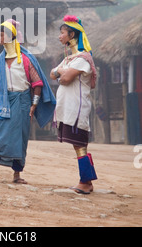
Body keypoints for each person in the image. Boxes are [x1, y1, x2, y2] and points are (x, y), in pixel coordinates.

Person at [0, 19, 56, 183]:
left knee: (20, 137)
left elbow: (37, 83)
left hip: (22, 101)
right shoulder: (0, 60)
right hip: (2, 102)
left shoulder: (25, 58)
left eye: (1, 34)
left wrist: (34, 104)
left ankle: (16, 174)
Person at [50, 15, 98, 194]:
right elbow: (53, 74)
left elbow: (65, 78)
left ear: (72, 35)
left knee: (80, 145)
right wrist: (60, 71)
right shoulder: (69, 59)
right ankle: (87, 181)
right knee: (78, 145)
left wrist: (60, 72)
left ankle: (85, 182)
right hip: (67, 109)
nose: (59, 36)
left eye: (62, 33)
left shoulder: (82, 59)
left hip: (76, 109)